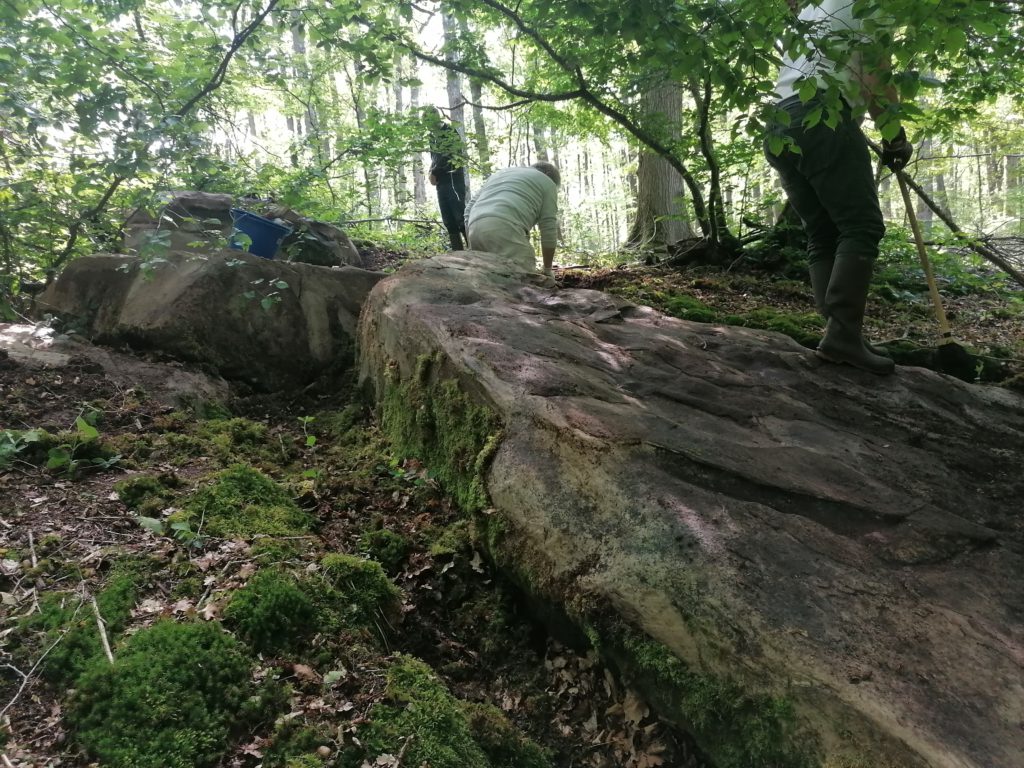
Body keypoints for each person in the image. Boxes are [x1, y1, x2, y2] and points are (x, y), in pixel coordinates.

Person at [765, 0, 913, 375]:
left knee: (824, 231)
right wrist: (895, 137)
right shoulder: (869, 7)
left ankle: (838, 334)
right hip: (823, 117)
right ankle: (843, 335)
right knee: (861, 227)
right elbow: (876, 74)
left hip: (779, 122)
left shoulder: (814, 10)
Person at [465, 161, 560, 275]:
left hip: (474, 227)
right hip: (504, 226)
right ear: (549, 176)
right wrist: (548, 271)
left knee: (488, 280)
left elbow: (468, 209)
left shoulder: (500, 174)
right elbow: (548, 228)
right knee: (525, 281)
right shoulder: (548, 183)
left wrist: (472, 237)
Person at [426, 108, 468, 251]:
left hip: (453, 181)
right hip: (441, 184)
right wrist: (430, 172)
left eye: (428, 119)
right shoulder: (431, 137)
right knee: (448, 221)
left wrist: (435, 172)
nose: (426, 124)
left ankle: (474, 251)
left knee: (460, 218)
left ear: (436, 118)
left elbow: (452, 157)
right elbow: (434, 159)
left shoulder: (449, 132)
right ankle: (458, 254)